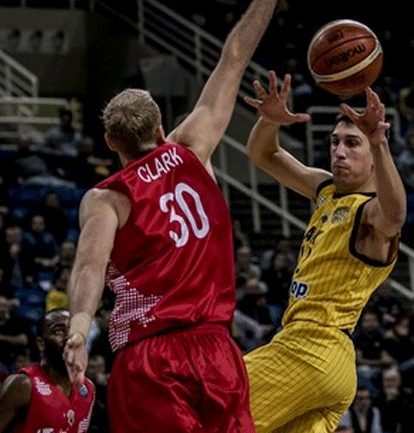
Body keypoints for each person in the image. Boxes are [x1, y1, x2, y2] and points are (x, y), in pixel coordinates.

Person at [62, 1, 278, 432]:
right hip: (217, 349)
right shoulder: (193, 147)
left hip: (150, 357)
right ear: (160, 129)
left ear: (110, 142)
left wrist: (79, 331)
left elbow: (89, 267)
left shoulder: (107, 199)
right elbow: (234, 56)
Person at [241, 72, 406, 433]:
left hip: (313, 345)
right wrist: (270, 120)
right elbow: (263, 154)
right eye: (335, 142)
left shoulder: (371, 214)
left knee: (210, 407)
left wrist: (379, 142)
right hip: (328, 362)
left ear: (375, 158)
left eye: (352, 143)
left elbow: (395, 216)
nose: (339, 151)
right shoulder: (325, 189)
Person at [0, 309, 95, 433]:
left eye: (73, 330)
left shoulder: (88, 389)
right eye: (58, 331)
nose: (69, 337)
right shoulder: (23, 385)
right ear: (41, 344)